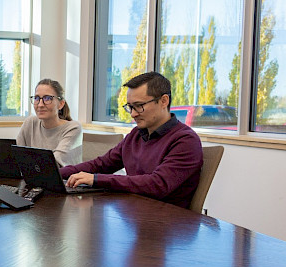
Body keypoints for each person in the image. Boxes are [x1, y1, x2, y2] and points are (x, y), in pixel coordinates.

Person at [59, 71, 203, 208]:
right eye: (130, 107)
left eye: (139, 106)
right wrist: (56, 173)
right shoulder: (136, 135)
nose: (133, 114)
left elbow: (157, 184)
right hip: (136, 215)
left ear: (164, 101)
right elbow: (101, 164)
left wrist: (95, 179)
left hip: (168, 223)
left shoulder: (185, 141)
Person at [17, 79, 83, 166]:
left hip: (63, 178)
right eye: (37, 98)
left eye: (47, 98)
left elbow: (54, 164)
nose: (40, 104)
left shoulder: (73, 128)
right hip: (34, 176)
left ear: (61, 104)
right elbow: (16, 155)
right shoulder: (30, 122)